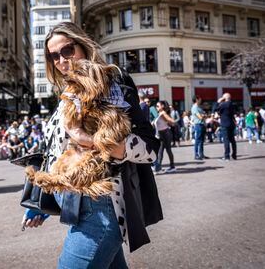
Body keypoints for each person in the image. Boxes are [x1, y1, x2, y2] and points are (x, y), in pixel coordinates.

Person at [21, 22, 162, 268]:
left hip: (101, 209)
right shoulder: (66, 94)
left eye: (67, 50)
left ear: (83, 46)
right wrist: (42, 202)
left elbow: (150, 149)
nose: (62, 60)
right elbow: (56, 152)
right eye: (54, 56)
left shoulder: (113, 83)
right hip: (73, 204)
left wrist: (82, 137)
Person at [153, 101, 176, 174]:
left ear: (162, 106)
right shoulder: (159, 114)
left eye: (157, 106)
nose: (156, 107)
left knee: (167, 150)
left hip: (165, 133)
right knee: (160, 151)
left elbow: (172, 121)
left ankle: (172, 167)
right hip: (161, 134)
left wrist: (169, 122)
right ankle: (159, 167)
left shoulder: (163, 113)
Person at [216, 93, 237, 161]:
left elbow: (215, 108)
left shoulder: (224, 104)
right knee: (232, 140)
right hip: (231, 124)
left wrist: (218, 102)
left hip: (225, 124)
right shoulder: (232, 104)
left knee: (226, 140)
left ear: (225, 98)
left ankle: (226, 156)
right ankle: (234, 155)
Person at [191, 95, 208, 160]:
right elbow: (200, 117)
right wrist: (203, 115)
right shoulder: (195, 107)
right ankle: (196, 154)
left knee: (201, 140)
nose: (201, 100)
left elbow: (204, 115)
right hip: (198, 124)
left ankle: (201, 154)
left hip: (202, 124)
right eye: (200, 99)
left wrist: (203, 115)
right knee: (198, 140)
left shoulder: (199, 107)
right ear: (197, 99)